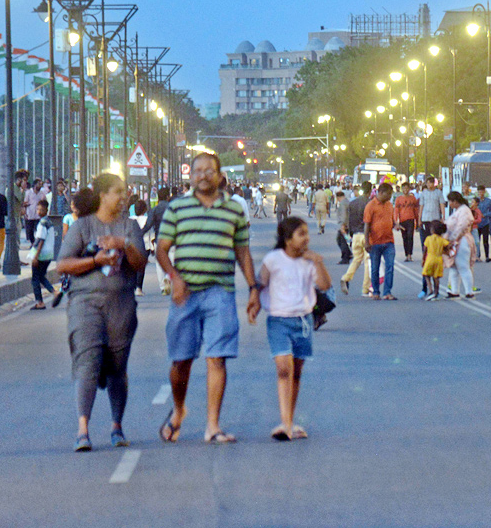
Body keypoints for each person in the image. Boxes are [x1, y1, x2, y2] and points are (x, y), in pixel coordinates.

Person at [156, 153, 259, 445]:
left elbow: (242, 251)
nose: (203, 176)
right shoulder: (177, 208)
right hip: (185, 293)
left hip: (220, 292)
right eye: (198, 171)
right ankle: (179, 410)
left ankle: (212, 425)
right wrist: (175, 278)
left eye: (208, 171)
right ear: (191, 176)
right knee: (181, 362)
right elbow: (162, 249)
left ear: (219, 175)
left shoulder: (234, 210)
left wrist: (253, 288)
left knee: (217, 358)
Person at [56, 173, 147, 452]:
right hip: (85, 302)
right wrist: (94, 259)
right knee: (88, 360)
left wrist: (123, 245)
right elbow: (63, 264)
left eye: (125, 192)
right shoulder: (82, 226)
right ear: (102, 195)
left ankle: (116, 426)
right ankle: (83, 429)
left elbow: (140, 262)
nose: (123, 197)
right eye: (118, 192)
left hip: (121, 302)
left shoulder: (129, 226)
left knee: (117, 367)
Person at [252, 216, 330, 441]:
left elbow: (324, 285)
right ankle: (285, 423)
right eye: (301, 234)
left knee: (295, 373)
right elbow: (261, 283)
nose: (306, 238)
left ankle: (289, 421)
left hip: (303, 322)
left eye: (307, 233)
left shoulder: (309, 261)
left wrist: (318, 261)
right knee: (284, 369)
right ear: (287, 239)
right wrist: (254, 303)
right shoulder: (273, 259)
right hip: (278, 320)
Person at [363, 182, 397, 300]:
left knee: (390, 267)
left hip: (388, 241)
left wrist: (395, 225)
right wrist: (366, 242)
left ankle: (387, 291)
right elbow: (367, 225)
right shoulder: (370, 206)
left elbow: (391, 220)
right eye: (388, 194)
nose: (389, 197)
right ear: (380, 192)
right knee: (375, 268)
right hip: (375, 242)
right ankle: (376, 291)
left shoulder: (389, 205)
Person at [339, 182, 373, 297]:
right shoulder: (370, 203)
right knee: (368, 262)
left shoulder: (352, 203)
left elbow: (348, 220)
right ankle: (365, 288)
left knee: (357, 259)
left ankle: (346, 277)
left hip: (355, 235)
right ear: (370, 191)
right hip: (367, 235)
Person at [442, 192, 476, 300]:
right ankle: (454, 291)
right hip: (456, 241)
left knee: (463, 266)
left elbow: (461, 227)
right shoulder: (459, 210)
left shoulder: (464, 211)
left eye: (450, 202)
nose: (449, 204)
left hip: (462, 240)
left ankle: (469, 291)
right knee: (454, 267)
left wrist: (452, 239)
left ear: (455, 201)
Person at [422, 221, 449, 300]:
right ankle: (436, 291)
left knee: (426, 275)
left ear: (432, 230)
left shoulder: (428, 238)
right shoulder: (442, 239)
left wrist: (423, 260)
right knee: (436, 277)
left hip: (430, 258)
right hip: (439, 259)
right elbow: (447, 246)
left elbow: (425, 250)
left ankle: (430, 290)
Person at [394, 182, 420, 262]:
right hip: (402, 220)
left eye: (407, 188)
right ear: (402, 189)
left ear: (409, 189)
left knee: (410, 237)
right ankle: (406, 254)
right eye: (404, 188)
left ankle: (409, 255)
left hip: (411, 220)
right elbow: (396, 211)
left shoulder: (413, 199)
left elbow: (416, 210)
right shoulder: (398, 199)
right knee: (404, 237)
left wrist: (417, 220)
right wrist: (396, 221)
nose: (405, 190)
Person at [475, 187, 491, 261]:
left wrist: (485, 214)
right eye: (479, 192)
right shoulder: (475, 201)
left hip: (485, 223)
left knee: (485, 240)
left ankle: (487, 256)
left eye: (481, 192)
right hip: (477, 223)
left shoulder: (488, 201)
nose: (480, 193)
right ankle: (478, 256)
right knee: (477, 241)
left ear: (484, 192)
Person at [333, 190, 351, 264]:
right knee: (343, 240)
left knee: (341, 241)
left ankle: (345, 257)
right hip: (347, 224)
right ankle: (348, 253)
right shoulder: (347, 201)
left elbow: (344, 215)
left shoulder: (343, 204)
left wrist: (343, 226)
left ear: (338, 197)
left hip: (344, 225)